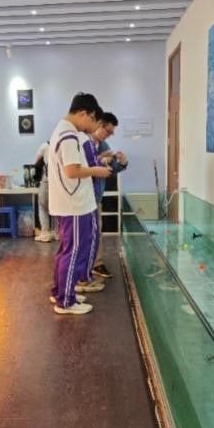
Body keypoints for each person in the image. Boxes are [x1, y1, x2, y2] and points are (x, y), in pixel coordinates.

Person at [48, 93, 111, 314]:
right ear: (83, 113)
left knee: (66, 251)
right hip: (73, 205)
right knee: (73, 252)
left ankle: (61, 292)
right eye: (92, 119)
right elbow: (72, 171)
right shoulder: (68, 135)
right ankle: (66, 301)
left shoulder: (64, 131)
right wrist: (97, 171)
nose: (91, 125)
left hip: (70, 203)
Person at [89, 112, 127, 279]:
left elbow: (110, 170)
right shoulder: (84, 142)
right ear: (99, 124)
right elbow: (82, 167)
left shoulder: (104, 145)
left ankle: (96, 264)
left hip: (96, 197)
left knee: (97, 231)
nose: (109, 135)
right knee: (84, 235)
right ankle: (83, 270)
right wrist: (99, 160)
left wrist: (122, 163)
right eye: (108, 131)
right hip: (82, 198)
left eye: (111, 133)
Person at [34, 140, 53, 242]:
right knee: (57, 208)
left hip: (47, 181)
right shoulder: (62, 145)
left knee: (43, 206)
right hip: (60, 183)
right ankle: (58, 233)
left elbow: (36, 162)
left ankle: (45, 233)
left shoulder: (45, 146)